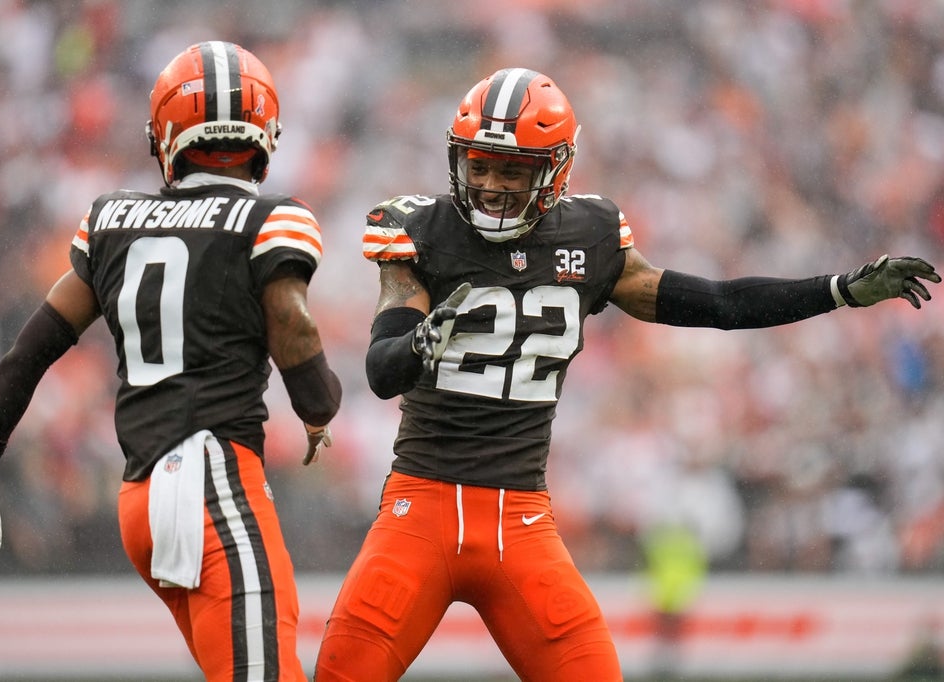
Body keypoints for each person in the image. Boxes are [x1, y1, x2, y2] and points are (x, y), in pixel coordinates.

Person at [313, 67, 940, 681]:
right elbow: (382, 370)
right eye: (479, 165)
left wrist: (835, 290)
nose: (491, 186)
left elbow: (717, 304)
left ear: (554, 170)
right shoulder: (422, 231)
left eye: (512, 169)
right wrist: (420, 341)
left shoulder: (588, 237)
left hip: (520, 520)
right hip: (419, 509)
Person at [0, 41, 342, 682]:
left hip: (142, 499)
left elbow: (28, 353)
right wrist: (320, 407)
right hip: (213, 482)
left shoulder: (114, 219)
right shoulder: (270, 219)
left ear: (165, 135)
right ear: (264, 134)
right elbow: (293, 326)